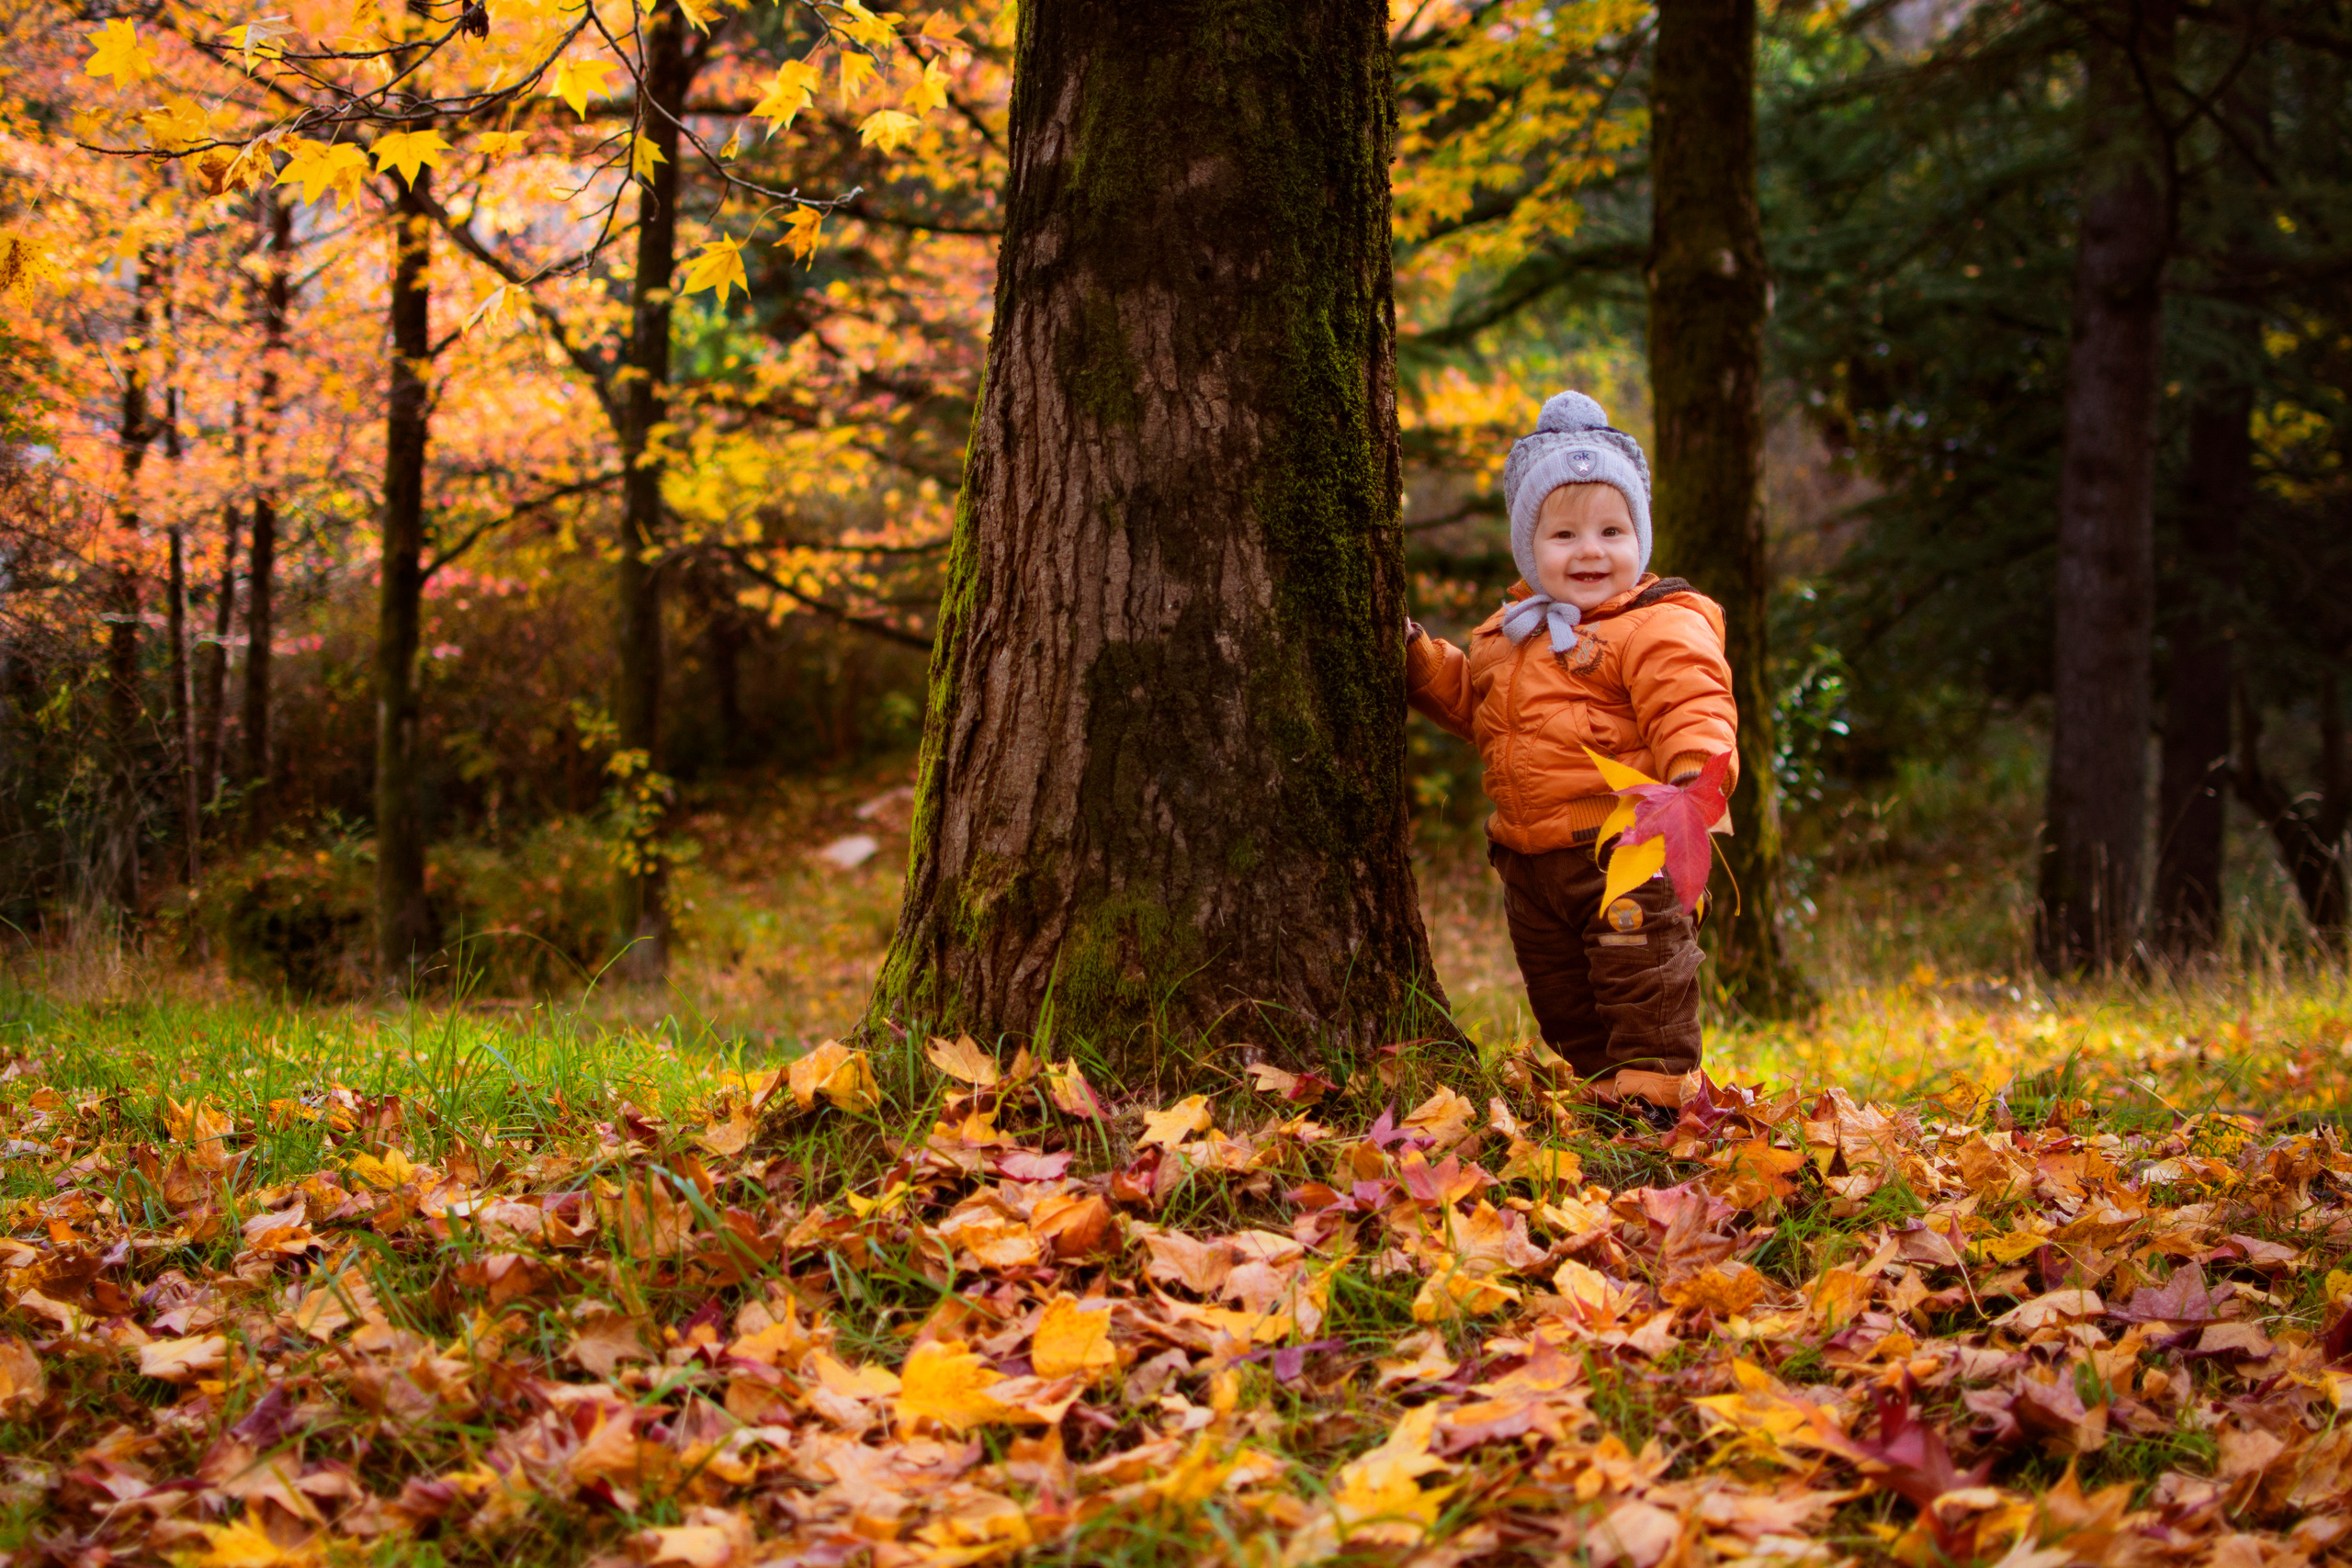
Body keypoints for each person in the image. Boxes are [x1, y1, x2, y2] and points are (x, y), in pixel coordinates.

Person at [1405, 390, 1736, 1120]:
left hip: (1624, 848)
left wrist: (1693, 778)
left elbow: (1693, 702)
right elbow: (1477, 707)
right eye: (1564, 535)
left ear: (1640, 538)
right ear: (1530, 547)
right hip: (1531, 864)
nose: (1591, 550)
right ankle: (1603, 1090)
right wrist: (1420, 662)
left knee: (1641, 983)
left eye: (1612, 530)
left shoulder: (1654, 626)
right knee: (1564, 999)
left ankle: (1659, 1107)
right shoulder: (1508, 634)